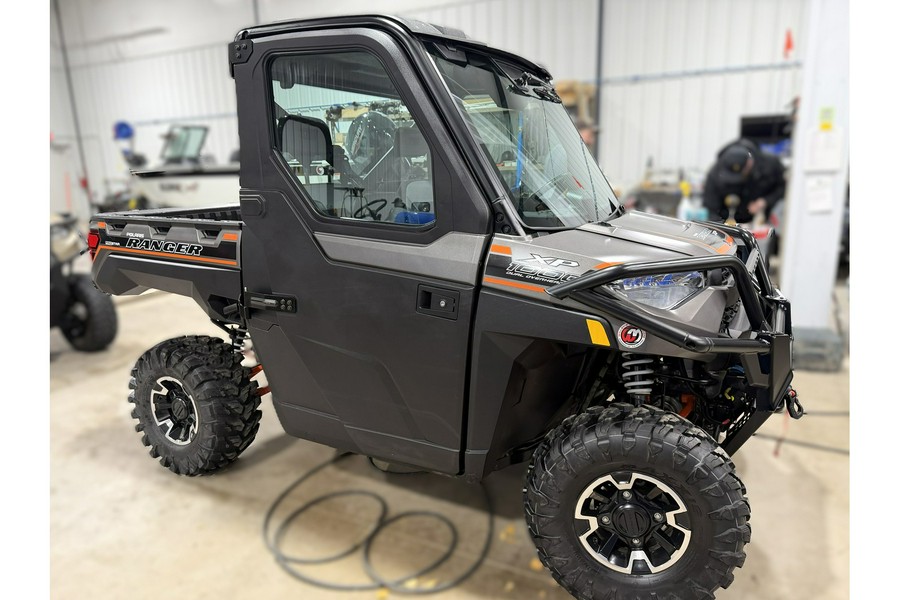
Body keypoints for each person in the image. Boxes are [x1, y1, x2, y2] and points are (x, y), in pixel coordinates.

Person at [703, 138, 786, 224]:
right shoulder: (715, 173)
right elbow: (711, 209)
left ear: (749, 163)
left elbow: (785, 188)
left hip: (761, 221)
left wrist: (766, 201)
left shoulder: (770, 165)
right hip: (726, 221)